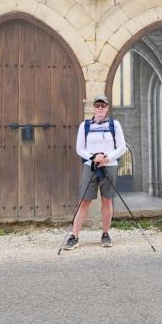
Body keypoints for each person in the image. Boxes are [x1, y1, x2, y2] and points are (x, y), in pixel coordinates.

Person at [63, 95, 126, 250]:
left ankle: (105, 234)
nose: (100, 108)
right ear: (94, 107)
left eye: (103, 106)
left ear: (107, 108)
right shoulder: (84, 126)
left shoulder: (115, 125)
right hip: (90, 166)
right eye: (97, 105)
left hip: (109, 166)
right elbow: (79, 149)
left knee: (107, 200)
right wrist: (93, 157)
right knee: (84, 201)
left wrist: (107, 158)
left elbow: (122, 147)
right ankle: (74, 236)